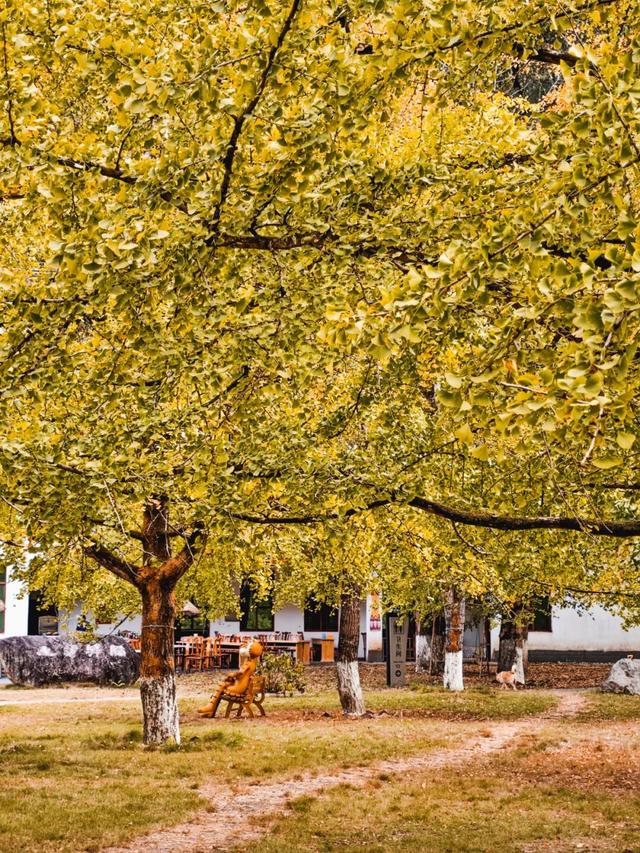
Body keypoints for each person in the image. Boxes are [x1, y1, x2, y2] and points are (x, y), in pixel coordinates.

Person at [197, 640, 264, 718]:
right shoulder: (253, 663)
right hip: (243, 686)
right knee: (224, 684)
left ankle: (211, 706)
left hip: (239, 689)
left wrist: (231, 674)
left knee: (221, 686)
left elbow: (239, 674)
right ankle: (211, 710)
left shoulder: (247, 664)